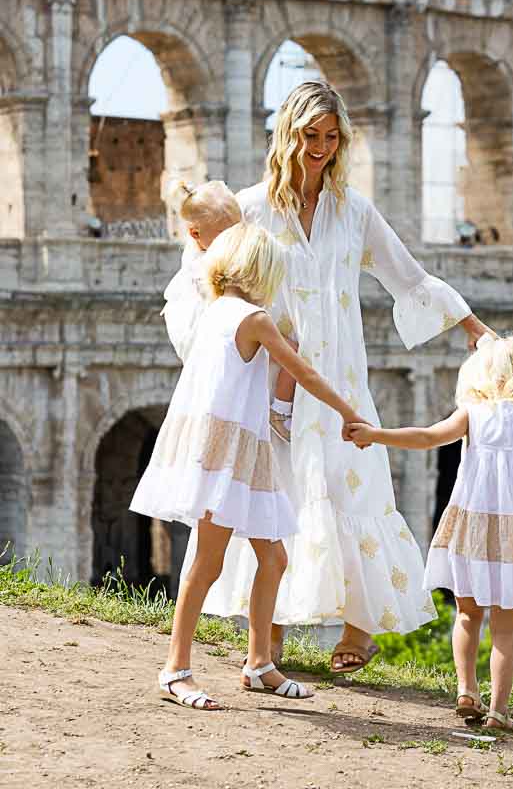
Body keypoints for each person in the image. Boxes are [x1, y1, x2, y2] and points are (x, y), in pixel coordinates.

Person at [196, 80, 494, 675]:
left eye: (332, 138)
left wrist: (474, 329)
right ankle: (268, 634)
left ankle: (360, 628)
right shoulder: (252, 208)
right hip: (275, 379)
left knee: (358, 486)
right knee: (273, 498)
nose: (322, 148)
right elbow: (212, 275)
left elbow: (407, 276)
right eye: (311, 136)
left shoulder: (352, 209)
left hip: (341, 376)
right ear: (288, 134)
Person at [130, 222, 364, 709]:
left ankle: (260, 664)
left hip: (240, 450)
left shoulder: (217, 311)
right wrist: (348, 412)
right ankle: (175, 669)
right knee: (208, 562)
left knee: (274, 558)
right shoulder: (254, 319)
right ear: (263, 269)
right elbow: (302, 373)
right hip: (229, 453)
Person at [347, 334, 513, 731]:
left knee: (467, 615)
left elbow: (427, 437)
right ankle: (499, 713)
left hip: (472, 525)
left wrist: (375, 434)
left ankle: (467, 689)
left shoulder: (472, 413)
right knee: (505, 627)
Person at [161, 180, 242, 363]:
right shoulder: (199, 272)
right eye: (223, 234)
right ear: (195, 234)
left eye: (238, 230)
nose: (234, 239)